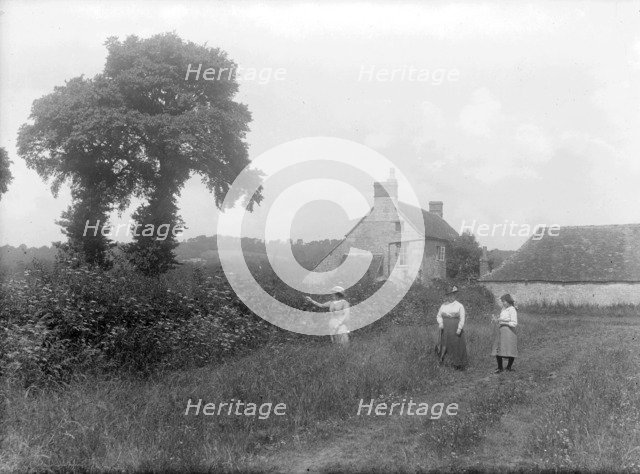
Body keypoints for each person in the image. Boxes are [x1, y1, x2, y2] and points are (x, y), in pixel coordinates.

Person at [435, 285, 468, 370]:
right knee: (445, 344)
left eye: (452, 295)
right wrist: (441, 323)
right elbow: (438, 316)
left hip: (455, 327)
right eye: (449, 296)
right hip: (445, 328)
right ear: (447, 296)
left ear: (455, 295)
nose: (451, 297)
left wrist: (459, 328)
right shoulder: (443, 305)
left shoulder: (459, 305)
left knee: (456, 344)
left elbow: (462, 318)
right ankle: (446, 363)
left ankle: (458, 364)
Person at [491, 294, 518, 373]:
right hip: (501, 331)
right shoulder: (503, 309)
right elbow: (501, 319)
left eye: (504, 301)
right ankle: (500, 367)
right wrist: (496, 320)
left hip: (509, 331)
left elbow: (514, 323)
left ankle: (509, 367)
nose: (503, 303)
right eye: (502, 302)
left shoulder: (512, 309)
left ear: (508, 301)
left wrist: (504, 322)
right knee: (498, 348)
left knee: (510, 349)